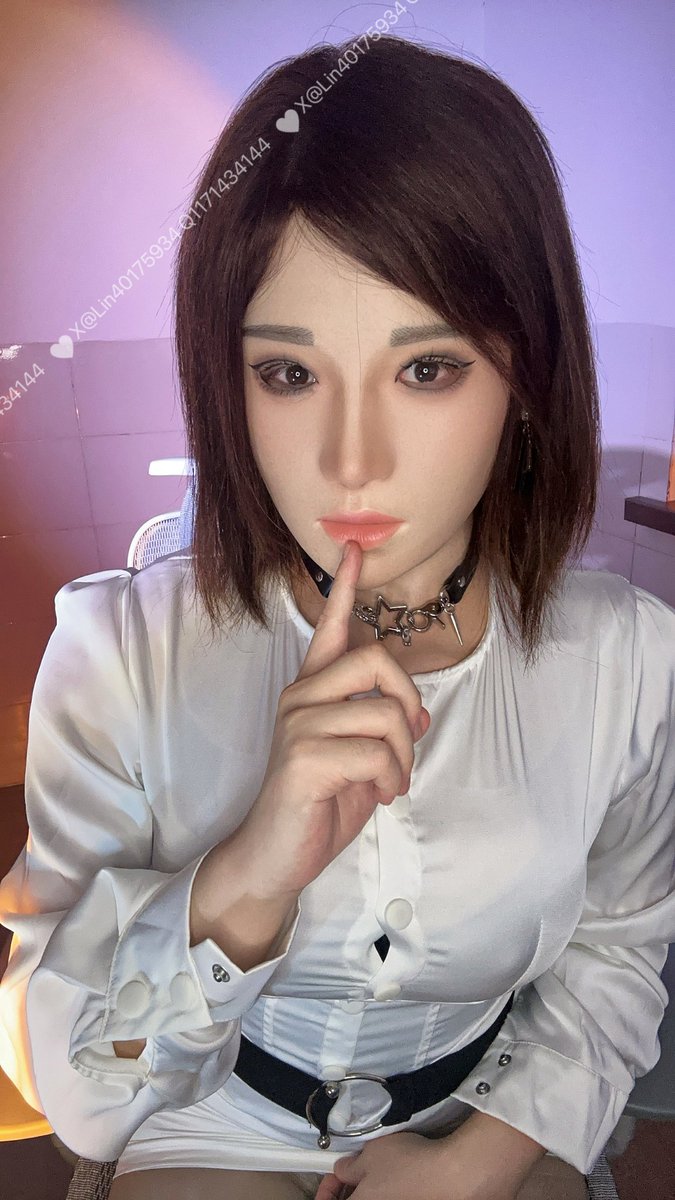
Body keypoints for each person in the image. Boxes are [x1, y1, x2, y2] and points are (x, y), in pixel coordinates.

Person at [1, 33, 674, 1200]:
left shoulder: (628, 661)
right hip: (204, 1116)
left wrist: (480, 1161)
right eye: (290, 374)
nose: (350, 461)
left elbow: (618, 948)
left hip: (481, 1116)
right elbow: (80, 1095)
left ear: (526, 380)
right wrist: (249, 874)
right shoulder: (120, 656)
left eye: (428, 370)